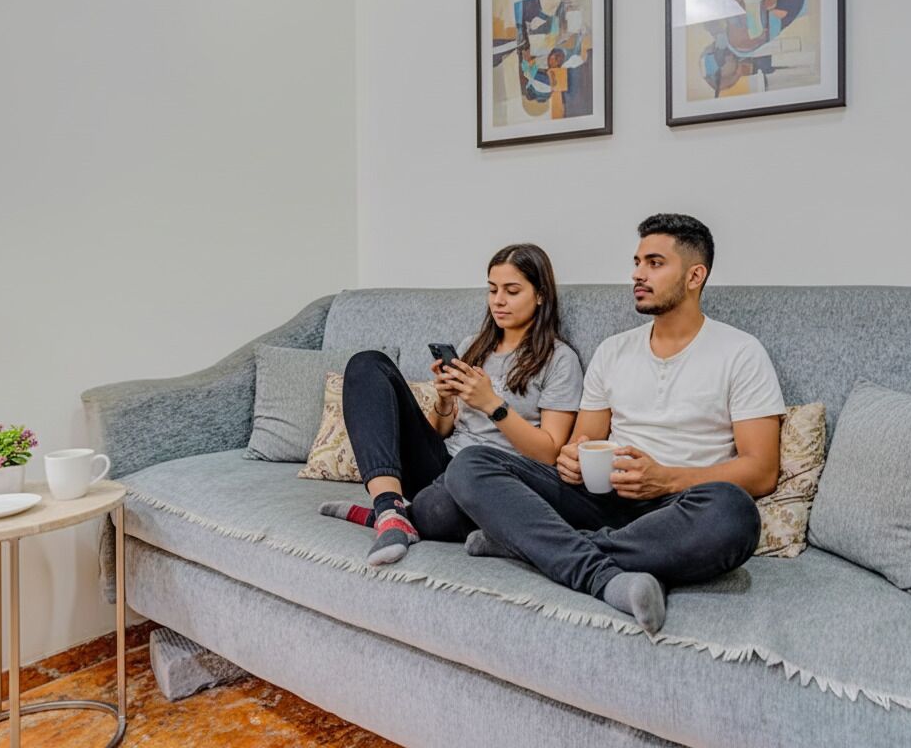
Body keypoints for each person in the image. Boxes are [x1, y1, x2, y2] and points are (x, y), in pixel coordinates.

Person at [445, 214, 785, 634]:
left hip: (677, 506)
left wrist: (664, 480)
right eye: (638, 261)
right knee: (471, 464)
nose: (637, 274)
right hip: (599, 497)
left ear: (695, 275)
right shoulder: (614, 350)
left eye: (655, 263)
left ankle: (530, 546)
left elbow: (762, 470)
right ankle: (599, 572)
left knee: (734, 514)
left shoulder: (740, 353)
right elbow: (584, 438)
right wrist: (572, 457)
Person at [318, 243, 584, 566]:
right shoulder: (473, 346)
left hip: (491, 479)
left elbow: (549, 453)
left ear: (540, 294)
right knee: (366, 365)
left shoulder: (560, 360)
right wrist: (444, 399)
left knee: (435, 508)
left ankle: (392, 515)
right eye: (493, 289)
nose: (498, 301)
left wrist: (493, 406)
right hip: (444, 460)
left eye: (512, 291)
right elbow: (441, 431)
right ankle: (389, 508)